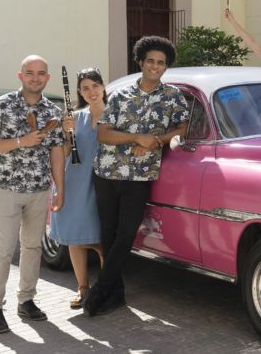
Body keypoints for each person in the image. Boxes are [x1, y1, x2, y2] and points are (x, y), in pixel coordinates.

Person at [84, 36, 189, 316]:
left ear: (166, 67)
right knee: (108, 233)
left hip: (140, 176)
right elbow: (103, 133)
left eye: (161, 63)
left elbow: (183, 129)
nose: (155, 66)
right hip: (107, 171)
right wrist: (136, 138)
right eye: (151, 61)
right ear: (141, 62)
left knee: (127, 232)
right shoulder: (120, 95)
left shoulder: (173, 97)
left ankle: (99, 289)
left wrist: (155, 140)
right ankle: (115, 294)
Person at [0, 55, 65, 334]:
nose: (35, 78)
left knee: (32, 247)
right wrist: (20, 142)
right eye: (30, 73)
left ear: (47, 78)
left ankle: (26, 300)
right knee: (3, 250)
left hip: (39, 190)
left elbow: (55, 152)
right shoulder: (1, 105)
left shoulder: (52, 111)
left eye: (41, 73)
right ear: (20, 75)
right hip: (7, 188)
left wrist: (59, 188)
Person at [49, 68, 107, 309]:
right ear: (80, 92)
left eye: (95, 86)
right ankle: (83, 287)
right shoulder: (75, 117)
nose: (91, 92)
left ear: (103, 86)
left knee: (102, 239)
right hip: (75, 181)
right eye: (85, 88)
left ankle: (105, 288)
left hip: (103, 182)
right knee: (74, 236)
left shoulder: (115, 115)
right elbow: (62, 154)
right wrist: (64, 132)